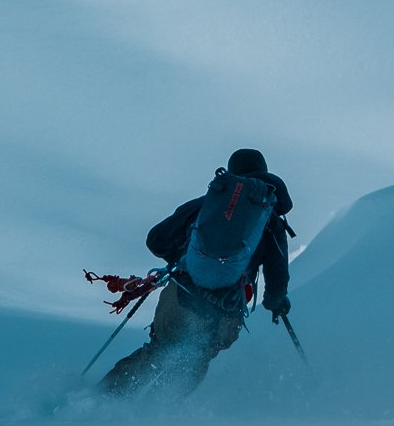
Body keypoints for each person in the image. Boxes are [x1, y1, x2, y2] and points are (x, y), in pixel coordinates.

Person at [101, 148, 292, 399]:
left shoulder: (204, 206)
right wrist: (276, 303)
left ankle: (100, 400)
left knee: (158, 351)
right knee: (195, 358)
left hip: (182, 293)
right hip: (225, 309)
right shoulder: (271, 221)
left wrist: (185, 258)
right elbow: (277, 273)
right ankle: (153, 415)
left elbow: (156, 240)